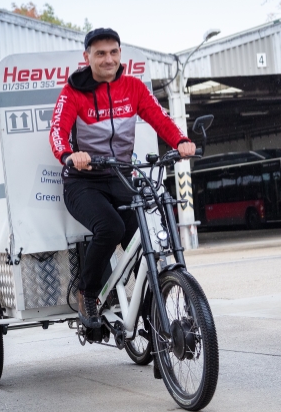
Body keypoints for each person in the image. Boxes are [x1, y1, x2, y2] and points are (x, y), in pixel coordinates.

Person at [49, 28, 196, 329]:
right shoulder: (73, 92)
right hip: (83, 181)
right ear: (87, 57)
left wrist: (179, 141)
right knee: (111, 226)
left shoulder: (133, 88)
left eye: (113, 52)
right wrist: (68, 155)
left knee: (144, 237)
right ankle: (88, 294)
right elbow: (57, 131)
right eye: (100, 53)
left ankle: (143, 306)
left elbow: (159, 118)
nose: (108, 59)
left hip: (121, 177)